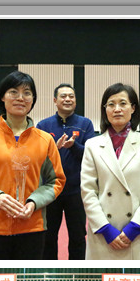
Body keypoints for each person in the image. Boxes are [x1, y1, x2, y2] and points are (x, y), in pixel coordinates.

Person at [0, 70, 66, 259]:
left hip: (33, 227)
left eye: (27, 93)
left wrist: (34, 202)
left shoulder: (45, 140)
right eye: (13, 92)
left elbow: (56, 181)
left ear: (33, 99)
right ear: (2, 97)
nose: (20, 98)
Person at [80, 83, 140, 260]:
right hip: (103, 234)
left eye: (123, 103)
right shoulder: (92, 145)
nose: (117, 109)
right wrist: (105, 229)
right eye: (111, 104)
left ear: (133, 108)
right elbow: (88, 191)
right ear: (105, 110)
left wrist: (134, 228)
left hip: (139, 233)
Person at [36, 83, 96, 260]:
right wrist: (53, 149)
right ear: (55, 100)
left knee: (78, 236)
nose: (67, 99)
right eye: (63, 96)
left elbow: (91, 154)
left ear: (75, 101)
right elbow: (37, 157)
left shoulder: (85, 124)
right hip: (50, 191)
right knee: (48, 237)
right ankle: (48, 272)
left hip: (77, 190)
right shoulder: (43, 125)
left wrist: (73, 146)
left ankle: (78, 271)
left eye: (71, 96)